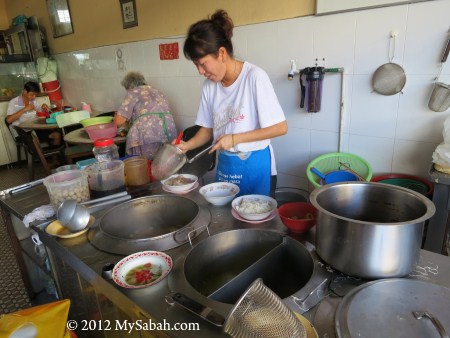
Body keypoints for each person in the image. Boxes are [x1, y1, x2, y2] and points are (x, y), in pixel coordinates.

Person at [178, 10, 288, 197]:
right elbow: (207, 129)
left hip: (256, 166)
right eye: (196, 65)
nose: (200, 71)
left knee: (255, 219)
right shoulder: (209, 86)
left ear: (221, 53)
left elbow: (280, 128)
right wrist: (187, 145)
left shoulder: (254, 77)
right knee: (226, 220)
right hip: (227, 165)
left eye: (203, 64)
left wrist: (235, 138)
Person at [114, 72, 178, 160]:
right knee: (162, 163)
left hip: (148, 133)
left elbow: (119, 121)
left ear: (129, 86)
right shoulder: (157, 91)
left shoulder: (133, 92)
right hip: (168, 132)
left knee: (144, 164)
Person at [6, 81, 61, 146]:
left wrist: (43, 107)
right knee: (35, 140)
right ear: (25, 91)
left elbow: (41, 110)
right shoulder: (14, 102)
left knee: (57, 134)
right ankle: (40, 156)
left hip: (34, 130)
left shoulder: (32, 102)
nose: (34, 97)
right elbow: (8, 120)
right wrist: (24, 109)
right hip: (22, 133)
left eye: (35, 95)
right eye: (32, 94)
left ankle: (54, 155)